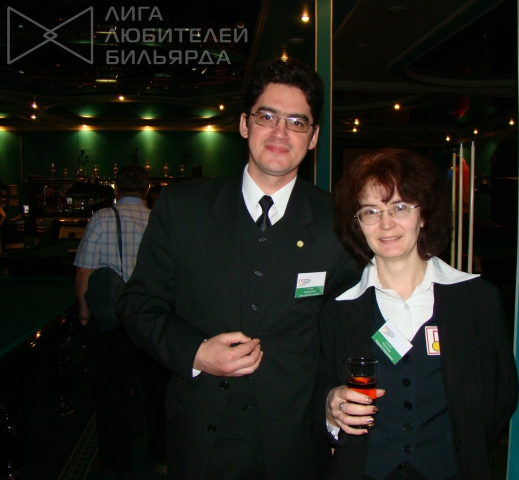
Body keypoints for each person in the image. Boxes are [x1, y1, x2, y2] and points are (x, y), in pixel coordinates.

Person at [118, 58, 361, 480]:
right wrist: (195, 351)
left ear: (314, 137)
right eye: (267, 116)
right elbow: (138, 304)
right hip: (201, 442)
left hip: (295, 446)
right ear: (245, 124)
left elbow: (346, 329)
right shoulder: (182, 208)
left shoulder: (338, 223)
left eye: (297, 122)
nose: (280, 132)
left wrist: (335, 393)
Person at [313, 149, 518, 480]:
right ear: (358, 224)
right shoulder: (339, 308)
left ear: (423, 215)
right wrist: (330, 405)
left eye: (399, 207)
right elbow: (318, 388)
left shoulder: (477, 299)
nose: (386, 224)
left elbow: (501, 395)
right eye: (370, 211)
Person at [75, 164, 161, 476]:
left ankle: (115, 460)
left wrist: (84, 315)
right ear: (146, 189)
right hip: (151, 318)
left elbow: (85, 271)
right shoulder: (158, 219)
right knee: (156, 389)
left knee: (111, 393)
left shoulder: (101, 218)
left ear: (116, 188)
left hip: (112, 321)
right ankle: (161, 448)